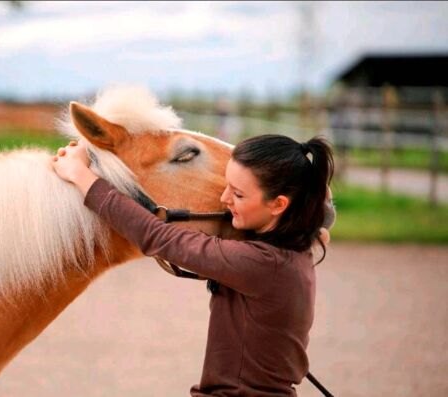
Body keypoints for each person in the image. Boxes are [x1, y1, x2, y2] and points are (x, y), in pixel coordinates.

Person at [51, 134, 335, 397]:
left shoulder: (260, 264)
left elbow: (157, 235)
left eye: (238, 195)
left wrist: (81, 176)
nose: (224, 200)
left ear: (278, 205)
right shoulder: (296, 248)